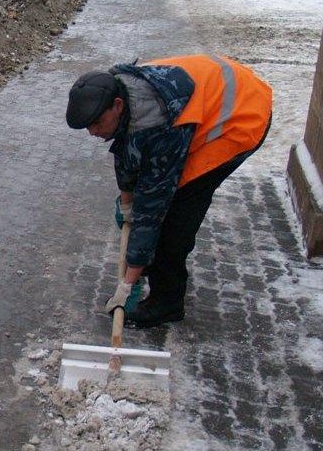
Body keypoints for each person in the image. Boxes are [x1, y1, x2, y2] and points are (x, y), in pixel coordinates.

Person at [65, 55, 272, 328]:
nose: (93, 132)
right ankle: (148, 264)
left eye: (97, 123)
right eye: (88, 126)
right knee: (152, 208)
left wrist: (127, 284)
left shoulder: (158, 126)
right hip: (209, 98)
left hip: (239, 117)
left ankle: (166, 302)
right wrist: (127, 203)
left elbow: (153, 208)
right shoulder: (122, 92)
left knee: (177, 211)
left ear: (117, 105)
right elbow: (127, 152)